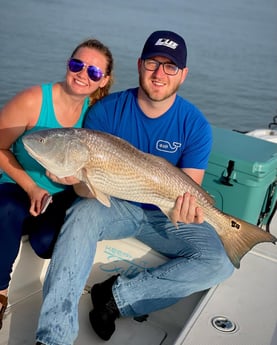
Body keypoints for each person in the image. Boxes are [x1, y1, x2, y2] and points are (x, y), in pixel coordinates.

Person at [35, 30, 234, 345]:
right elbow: (89, 193)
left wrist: (193, 212)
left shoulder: (194, 124)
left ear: (183, 74)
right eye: (153, 62)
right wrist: (77, 180)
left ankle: (116, 297)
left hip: (164, 213)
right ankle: (53, 337)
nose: (159, 74)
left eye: (170, 67)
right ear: (140, 64)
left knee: (220, 262)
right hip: (114, 204)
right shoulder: (107, 111)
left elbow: (188, 192)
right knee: (80, 216)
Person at [0, 38, 114, 331]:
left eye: (94, 72)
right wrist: (32, 188)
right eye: (78, 65)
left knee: (45, 243)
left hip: (63, 194)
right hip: (18, 184)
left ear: (104, 81)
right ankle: (0, 294)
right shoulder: (32, 100)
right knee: (8, 209)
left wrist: (77, 181)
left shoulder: (96, 113)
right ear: (68, 64)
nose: (83, 74)